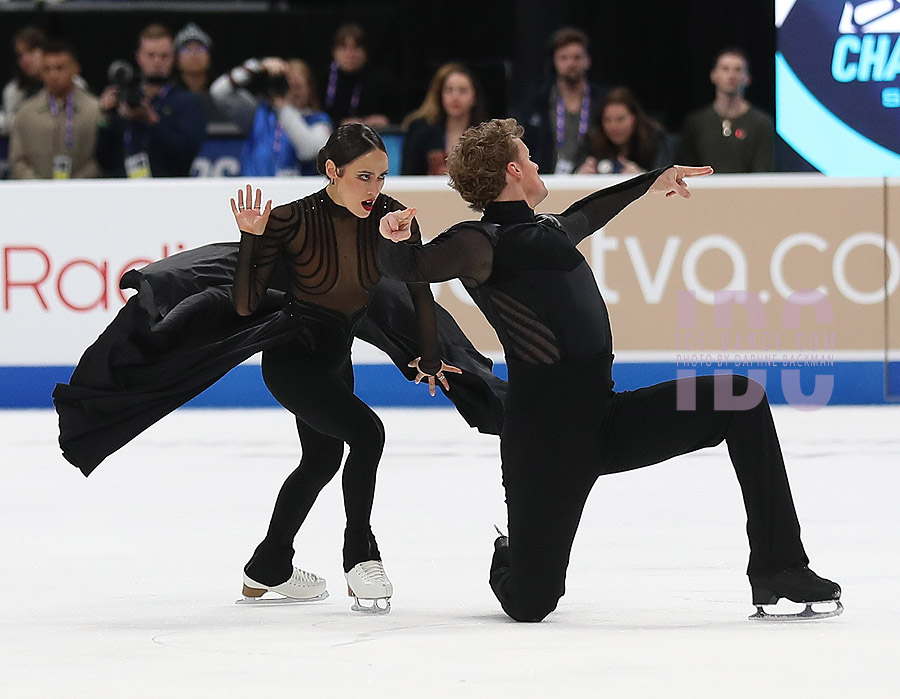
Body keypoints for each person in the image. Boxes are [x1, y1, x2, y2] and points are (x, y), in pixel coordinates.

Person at [377, 118, 842, 623]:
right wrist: (391, 237)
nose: (536, 163)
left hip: (605, 417)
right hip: (543, 444)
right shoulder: (480, 243)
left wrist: (652, 181)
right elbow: (412, 269)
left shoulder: (547, 230)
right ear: (513, 170)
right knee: (533, 602)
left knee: (741, 399)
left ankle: (779, 568)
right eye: (528, 157)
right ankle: (512, 550)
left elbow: (588, 213)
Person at [53, 123, 506, 613]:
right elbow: (246, 305)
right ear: (332, 171)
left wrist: (429, 356)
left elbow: (416, 291)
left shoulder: (392, 217)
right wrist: (252, 239)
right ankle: (360, 555)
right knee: (369, 433)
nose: (375, 190)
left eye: (381, 177)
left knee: (321, 461)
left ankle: (268, 567)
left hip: (336, 357)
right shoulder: (291, 221)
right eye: (364, 178)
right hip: (293, 357)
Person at [96, 23, 207, 177]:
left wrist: (152, 122)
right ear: (139, 57)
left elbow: (186, 155)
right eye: (151, 55)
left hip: (167, 189)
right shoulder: (124, 98)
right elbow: (103, 160)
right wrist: (105, 119)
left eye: (164, 56)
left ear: (174, 58)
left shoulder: (187, 102)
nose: (157, 62)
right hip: (123, 189)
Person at [211, 56, 331, 176]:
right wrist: (258, 66)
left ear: (309, 88)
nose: (293, 93)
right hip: (255, 190)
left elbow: (308, 151)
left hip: (295, 192)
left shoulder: (318, 120)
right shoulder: (260, 114)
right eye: (289, 85)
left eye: (298, 86)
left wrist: (285, 109)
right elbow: (219, 91)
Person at [518, 27, 606, 174]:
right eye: (564, 58)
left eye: (577, 57)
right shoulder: (537, 101)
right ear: (554, 61)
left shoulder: (603, 100)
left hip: (591, 177)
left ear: (587, 60)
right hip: (548, 179)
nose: (571, 63)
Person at [9, 40, 100, 179]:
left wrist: (75, 186)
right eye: (47, 69)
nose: (53, 75)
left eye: (59, 68)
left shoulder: (95, 110)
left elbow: (102, 157)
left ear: (75, 68)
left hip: (83, 193)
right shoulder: (26, 113)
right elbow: (18, 160)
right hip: (36, 195)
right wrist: (40, 188)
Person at [678, 47, 774, 173]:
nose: (731, 75)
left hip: (748, 191)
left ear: (747, 78)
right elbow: (687, 171)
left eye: (738, 70)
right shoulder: (696, 123)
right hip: (705, 191)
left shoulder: (762, 123)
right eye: (725, 69)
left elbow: (763, 171)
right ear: (713, 75)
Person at [400, 62, 486, 176]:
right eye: (449, 90)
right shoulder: (421, 134)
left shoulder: (485, 137)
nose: (455, 97)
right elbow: (408, 177)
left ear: (474, 97)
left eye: (463, 90)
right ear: (440, 96)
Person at [577, 86, 673, 175]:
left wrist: (642, 177)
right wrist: (579, 176)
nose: (613, 126)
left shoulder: (654, 139)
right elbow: (569, 177)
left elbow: (666, 178)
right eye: (607, 120)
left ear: (634, 118)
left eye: (620, 119)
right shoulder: (592, 141)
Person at [320, 23, 398, 127]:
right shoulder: (324, 79)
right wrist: (340, 122)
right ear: (334, 52)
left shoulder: (382, 81)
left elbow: (398, 116)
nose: (350, 54)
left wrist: (383, 120)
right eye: (344, 48)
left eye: (356, 48)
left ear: (365, 52)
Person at [173, 22, 229, 126]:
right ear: (176, 59)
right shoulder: (169, 93)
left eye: (200, 49)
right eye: (186, 49)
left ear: (209, 57)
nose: (194, 55)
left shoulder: (222, 93)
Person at [1, 26, 47, 135]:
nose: (25, 60)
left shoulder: (71, 83)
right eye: (20, 55)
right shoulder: (13, 89)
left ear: (45, 51)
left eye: (31, 52)